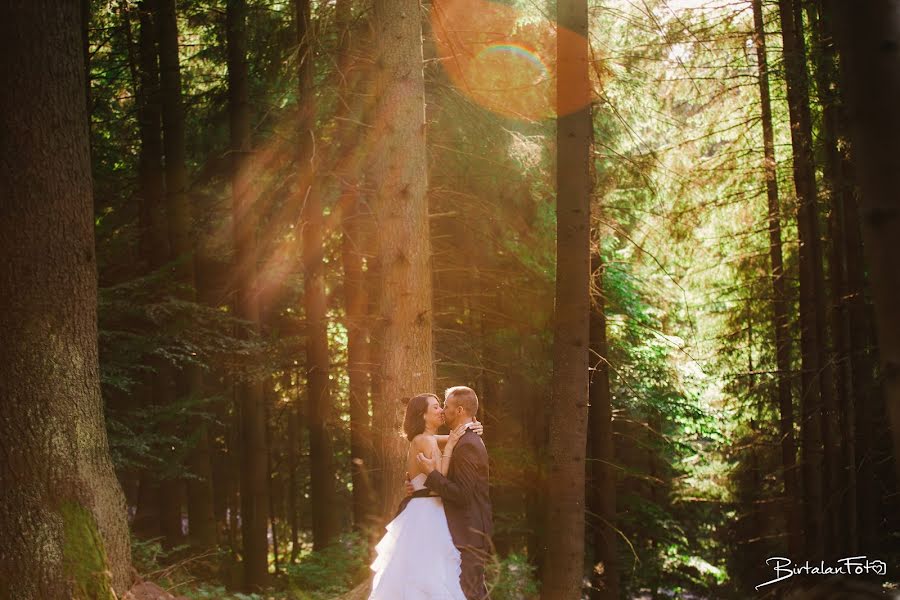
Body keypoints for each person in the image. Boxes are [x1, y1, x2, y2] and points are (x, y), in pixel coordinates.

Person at [368, 392, 483, 600]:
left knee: (425, 572)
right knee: (430, 574)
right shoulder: (425, 441)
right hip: (428, 512)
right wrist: (448, 446)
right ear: (423, 415)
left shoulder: (427, 438)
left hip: (423, 509)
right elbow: (440, 478)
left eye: (441, 406)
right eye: (436, 407)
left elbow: (459, 436)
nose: (441, 411)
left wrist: (475, 427)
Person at [418, 386, 493, 600]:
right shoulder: (464, 438)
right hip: (467, 531)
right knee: (473, 592)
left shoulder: (467, 443)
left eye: (447, 406)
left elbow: (462, 494)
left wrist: (431, 476)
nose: (443, 410)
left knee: (470, 594)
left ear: (459, 410)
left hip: (469, 532)